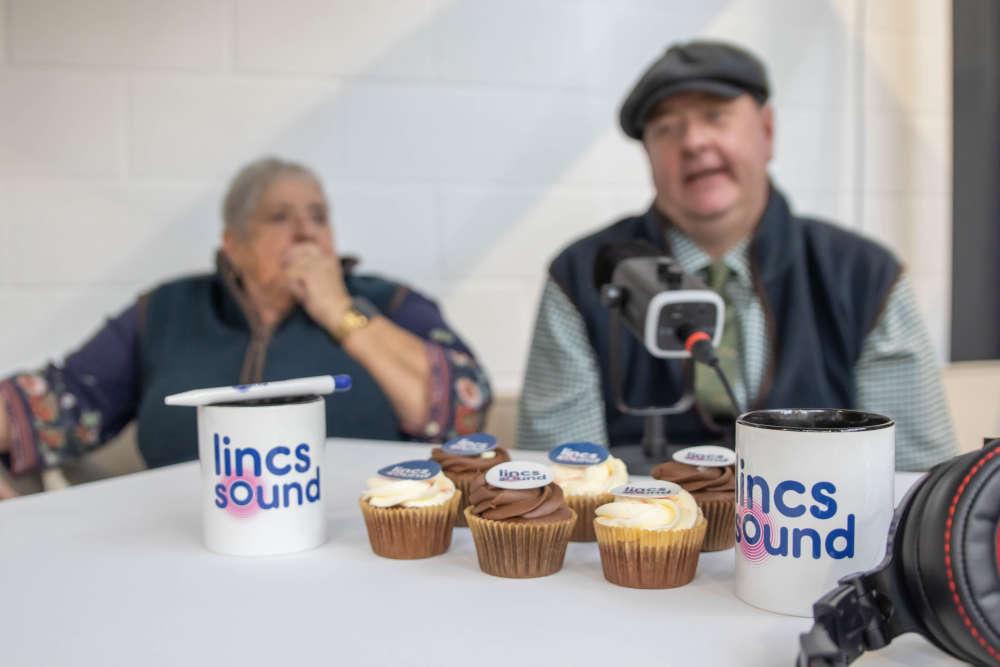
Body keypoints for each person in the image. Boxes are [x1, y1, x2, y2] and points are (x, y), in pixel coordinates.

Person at [516, 40, 958, 471]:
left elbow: (916, 476)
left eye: (715, 116)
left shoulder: (865, 277)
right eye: (666, 128)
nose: (693, 142)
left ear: (767, 131)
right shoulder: (581, 276)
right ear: (647, 154)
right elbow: (564, 479)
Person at [0, 157, 491, 497]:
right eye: (280, 218)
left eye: (318, 217)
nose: (306, 232)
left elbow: (464, 411)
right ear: (233, 244)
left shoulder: (389, 303)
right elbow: (59, 402)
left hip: (355, 537)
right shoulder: (167, 309)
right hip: (185, 539)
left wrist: (339, 310)